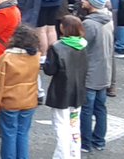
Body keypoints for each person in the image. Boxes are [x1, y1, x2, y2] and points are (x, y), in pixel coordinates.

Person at [0, 25, 40, 158]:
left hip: (10, 102)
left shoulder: (6, 58)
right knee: (23, 133)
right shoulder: (35, 56)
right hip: (29, 101)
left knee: (9, 134)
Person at [44, 15, 87, 159]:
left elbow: (50, 70)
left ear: (63, 28)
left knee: (61, 126)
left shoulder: (57, 47)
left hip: (61, 92)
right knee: (74, 125)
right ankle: (74, 154)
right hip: (78, 92)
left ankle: (63, 155)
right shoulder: (83, 44)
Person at [79, 0, 113, 153]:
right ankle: (99, 140)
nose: (82, 1)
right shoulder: (108, 20)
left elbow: (81, 47)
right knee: (100, 108)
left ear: (92, 3)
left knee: (87, 109)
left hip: (91, 73)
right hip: (104, 71)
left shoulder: (89, 24)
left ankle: (85, 143)